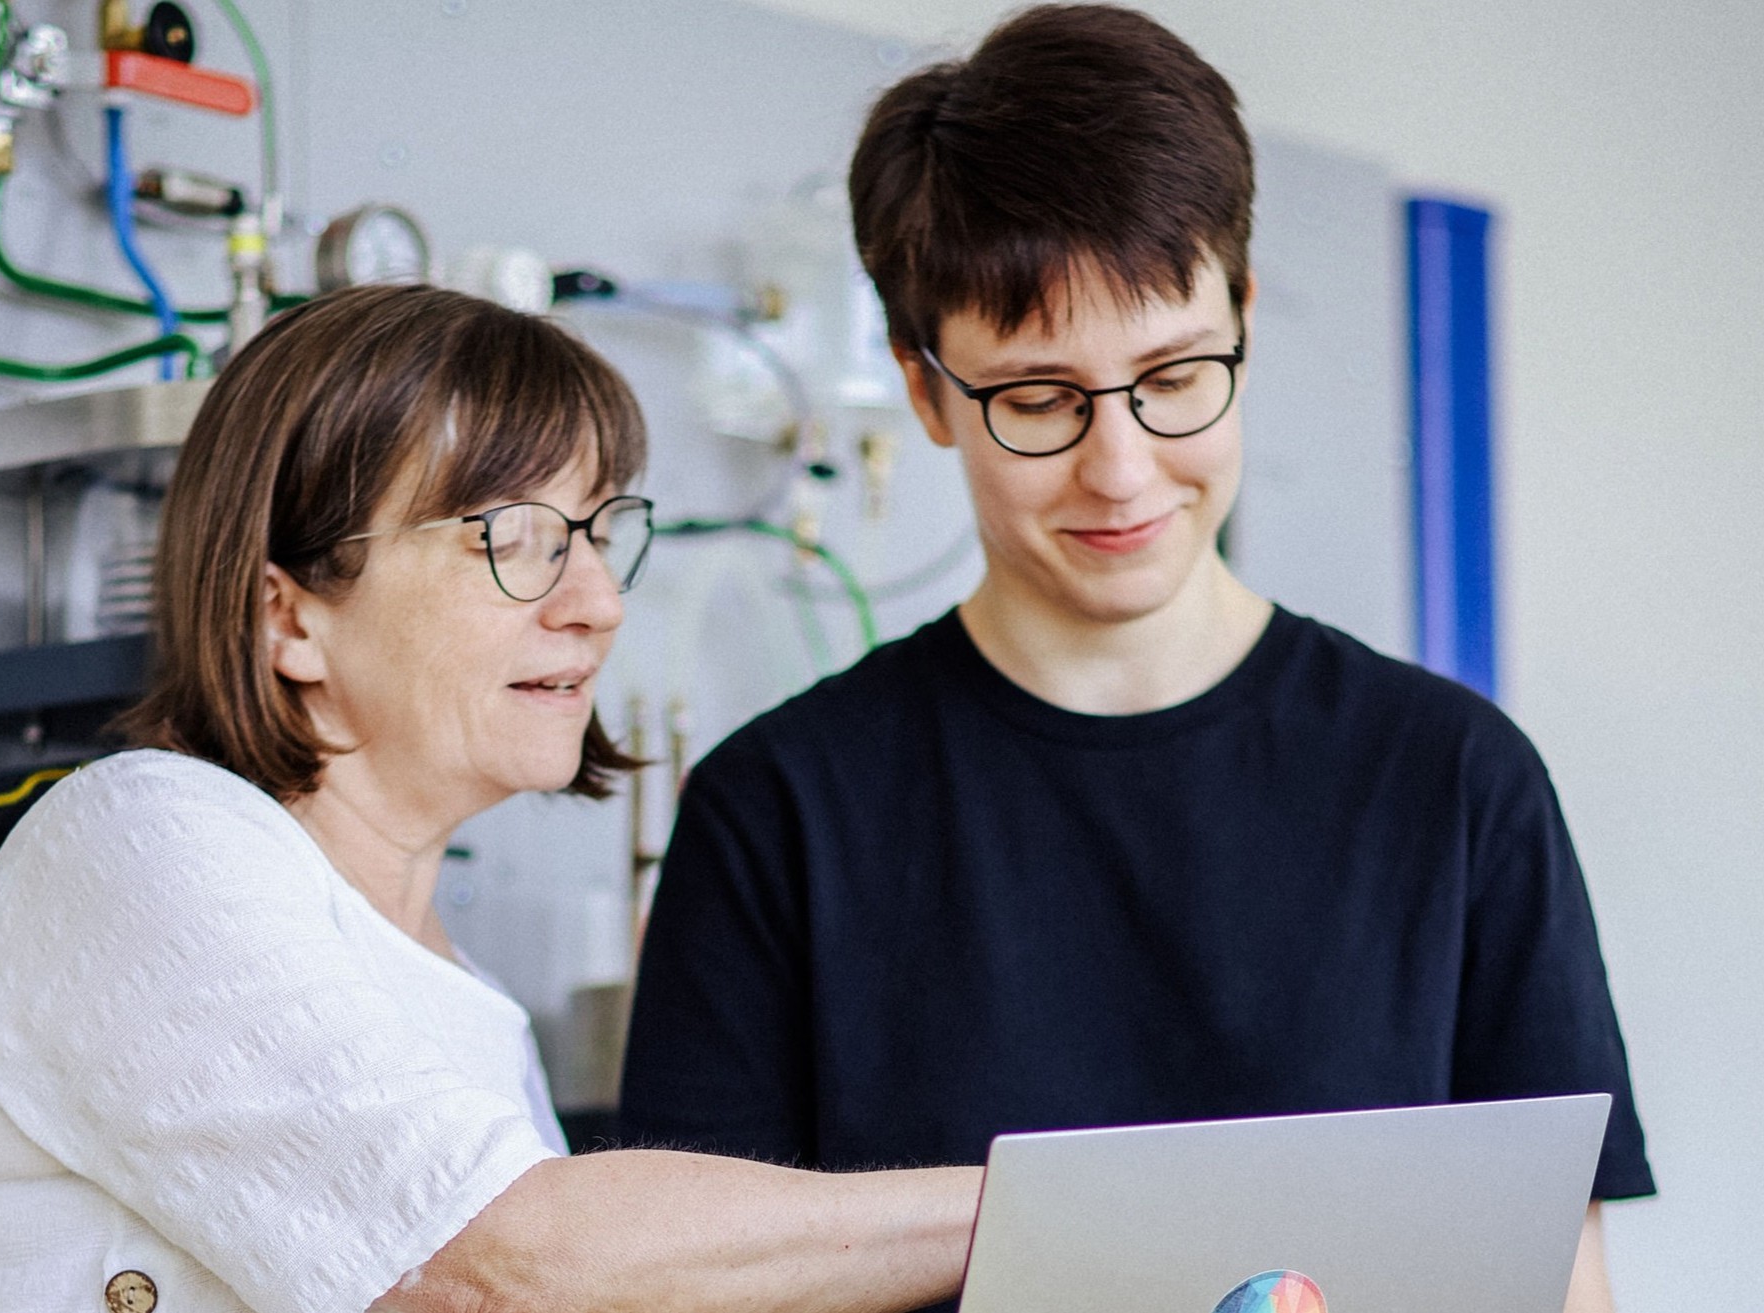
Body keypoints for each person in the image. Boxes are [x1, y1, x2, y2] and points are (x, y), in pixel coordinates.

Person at [619, 7, 1653, 1312]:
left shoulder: (1453, 782)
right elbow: (677, 1284)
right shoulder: (778, 814)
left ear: (1247, 319)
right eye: (1038, 399)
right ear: (926, 390)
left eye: (1172, 375)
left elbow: (1558, 1281)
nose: (1120, 469)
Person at [0, 284, 981, 1313]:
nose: (596, 601)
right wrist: (1026, 1205)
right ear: (290, 616)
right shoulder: (138, 836)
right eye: (513, 539)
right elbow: (504, 1268)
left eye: (599, 534)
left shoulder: (472, 1015)